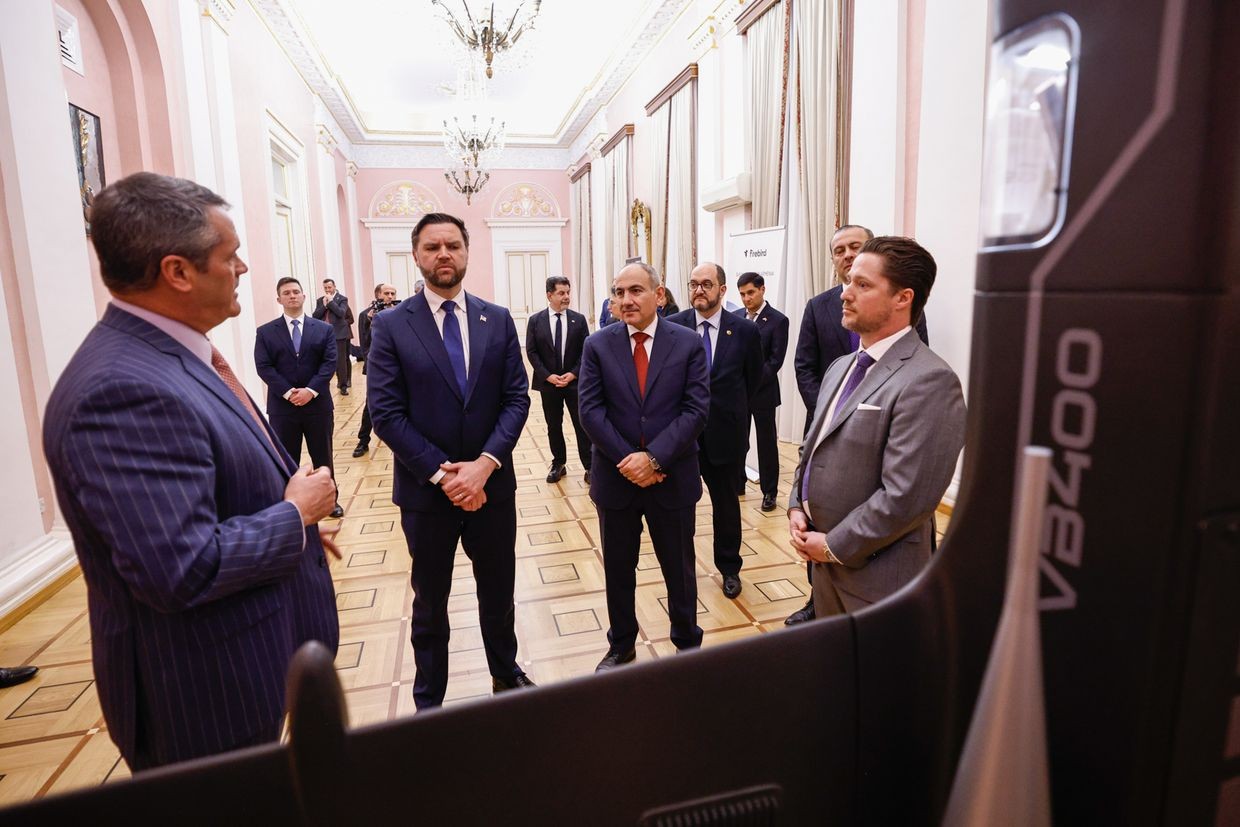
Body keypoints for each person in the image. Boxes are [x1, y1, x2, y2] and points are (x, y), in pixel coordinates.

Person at [41, 172, 339, 770]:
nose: (245, 269)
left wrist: (289, 526)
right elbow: (179, 567)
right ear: (178, 272)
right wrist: (293, 516)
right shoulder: (122, 389)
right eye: (229, 257)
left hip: (250, 659)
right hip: (203, 691)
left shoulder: (172, 354)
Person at [367, 212, 534, 709]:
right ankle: (428, 700)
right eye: (433, 247)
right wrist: (443, 473)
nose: (444, 254)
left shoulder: (497, 318)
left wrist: (485, 464)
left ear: (467, 252)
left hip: (492, 489)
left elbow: (516, 398)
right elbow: (386, 413)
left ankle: (506, 673)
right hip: (426, 494)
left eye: (453, 246)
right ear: (416, 255)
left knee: (498, 592)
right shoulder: (393, 326)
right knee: (431, 601)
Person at [788, 236, 965, 617]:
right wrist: (795, 507)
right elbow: (811, 448)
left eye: (862, 285)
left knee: (879, 676)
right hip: (823, 569)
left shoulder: (929, 380)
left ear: (903, 298)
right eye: (849, 281)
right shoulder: (840, 367)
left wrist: (833, 544)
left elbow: (905, 498)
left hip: (877, 579)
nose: (845, 294)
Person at [578, 263, 709, 670]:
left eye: (635, 291)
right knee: (618, 567)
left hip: (671, 477)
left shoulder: (686, 343)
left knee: (680, 568)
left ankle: (686, 642)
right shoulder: (597, 345)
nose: (625, 300)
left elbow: (696, 409)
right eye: (618, 292)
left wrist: (653, 458)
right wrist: (628, 461)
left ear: (660, 295)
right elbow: (590, 411)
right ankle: (621, 644)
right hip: (616, 480)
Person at [666, 263, 762, 599]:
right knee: (680, 507)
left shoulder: (745, 331)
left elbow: (752, 383)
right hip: (681, 438)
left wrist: (732, 416)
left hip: (725, 435)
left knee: (725, 505)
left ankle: (730, 568)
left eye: (706, 284)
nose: (698, 290)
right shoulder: (672, 328)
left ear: (722, 290)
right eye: (693, 284)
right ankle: (681, 571)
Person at [255, 277, 344, 519]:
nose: (292, 296)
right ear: (279, 299)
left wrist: (309, 391)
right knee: (287, 458)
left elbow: (329, 364)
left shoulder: (324, 330)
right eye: (287, 293)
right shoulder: (265, 332)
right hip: (283, 408)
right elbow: (264, 367)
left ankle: (331, 501)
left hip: (317, 405)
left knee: (322, 454)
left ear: (304, 296)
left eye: (296, 292)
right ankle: (291, 505)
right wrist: (289, 392)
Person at [526, 276, 592, 484]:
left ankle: (590, 466)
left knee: (582, 425)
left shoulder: (579, 320)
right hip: (549, 384)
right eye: (561, 293)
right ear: (549, 295)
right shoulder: (536, 321)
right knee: (553, 425)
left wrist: (573, 373)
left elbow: (585, 351)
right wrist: (548, 376)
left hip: (574, 383)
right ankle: (558, 464)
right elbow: (532, 352)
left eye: (567, 292)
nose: (566, 297)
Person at [734, 272, 790, 512]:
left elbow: (775, 360)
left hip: (763, 392)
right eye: (743, 294)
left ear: (762, 290)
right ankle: (737, 483)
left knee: (766, 444)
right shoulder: (735, 317)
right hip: (737, 393)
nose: (747, 298)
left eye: (750, 293)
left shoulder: (778, 320)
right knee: (737, 441)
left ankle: (769, 491)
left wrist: (751, 381)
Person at [353, 283, 399, 457]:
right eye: (386, 293)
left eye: (393, 293)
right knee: (371, 404)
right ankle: (363, 440)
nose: (390, 296)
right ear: (378, 295)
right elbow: (364, 344)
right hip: (376, 367)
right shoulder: (365, 315)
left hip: (400, 366)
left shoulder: (401, 313)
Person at [313, 278, 354, 395]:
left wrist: (331, 303)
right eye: (325, 288)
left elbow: (341, 313)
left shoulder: (342, 299)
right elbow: (315, 316)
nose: (327, 290)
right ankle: (324, 384)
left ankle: (343, 385)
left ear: (334, 286)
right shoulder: (320, 300)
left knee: (341, 360)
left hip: (339, 333)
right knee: (324, 359)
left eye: (329, 287)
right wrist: (324, 306)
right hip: (323, 334)